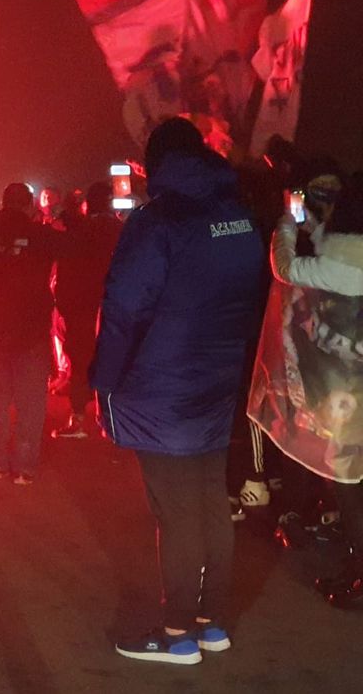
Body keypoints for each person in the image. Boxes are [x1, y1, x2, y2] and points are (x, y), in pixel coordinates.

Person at [92, 118, 265, 665]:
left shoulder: (157, 221)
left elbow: (122, 310)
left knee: (177, 511)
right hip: (216, 382)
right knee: (211, 500)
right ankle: (212, 620)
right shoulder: (239, 217)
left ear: (155, 162)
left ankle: (177, 631)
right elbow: (252, 297)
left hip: (159, 387)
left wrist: (104, 382)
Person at [268, 176, 363, 604]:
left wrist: (287, 226)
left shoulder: (341, 265)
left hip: (352, 390)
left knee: (350, 481)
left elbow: (286, 268)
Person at [0, 183, 62, 484]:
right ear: (29, 205)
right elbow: (73, 246)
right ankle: (24, 468)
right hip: (31, 326)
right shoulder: (40, 234)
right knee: (30, 401)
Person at [52, 182, 122, 439]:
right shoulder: (118, 229)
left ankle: (78, 418)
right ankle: (109, 420)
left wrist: (63, 304)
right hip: (111, 304)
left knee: (80, 363)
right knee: (109, 360)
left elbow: (66, 270)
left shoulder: (80, 229)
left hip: (81, 306)